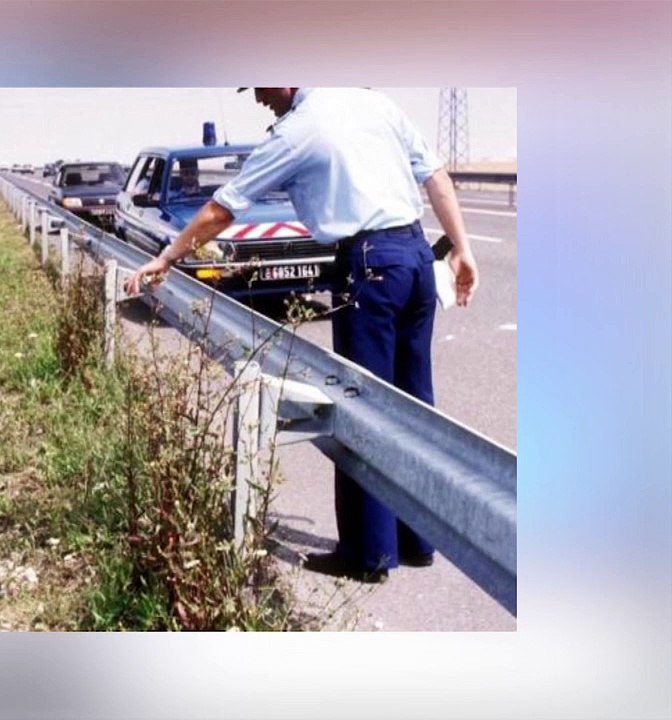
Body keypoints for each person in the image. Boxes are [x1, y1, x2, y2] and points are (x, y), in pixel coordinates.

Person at [124, 88, 480, 582]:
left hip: (371, 265)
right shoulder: (372, 102)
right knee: (414, 402)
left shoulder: (297, 132)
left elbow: (221, 211)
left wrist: (166, 258)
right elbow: (434, 176)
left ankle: (369, 553)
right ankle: (417, 539)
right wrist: (461, 247)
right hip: (417, 258)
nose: (260, 100)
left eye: (261, 87)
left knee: (361, 410)